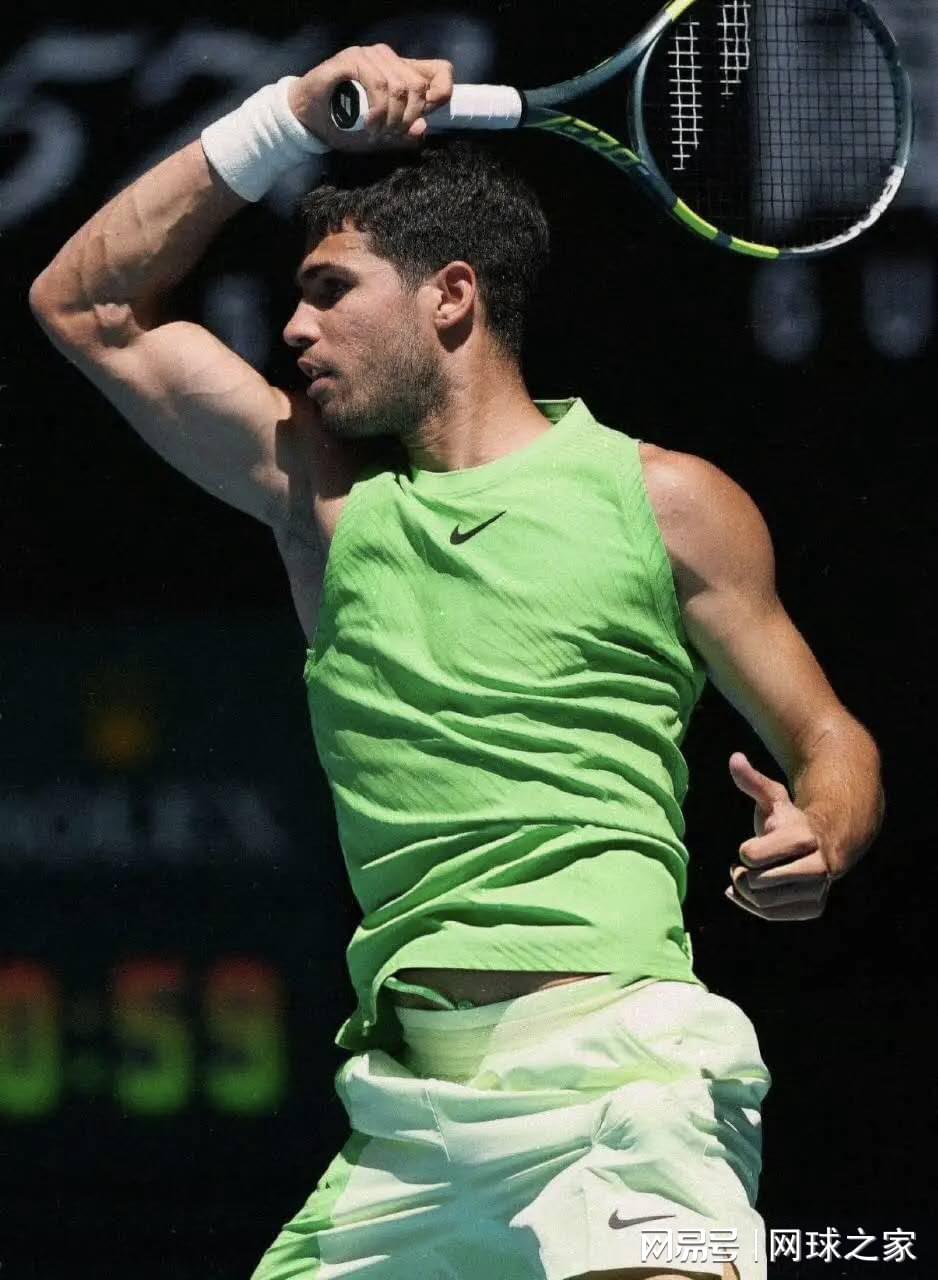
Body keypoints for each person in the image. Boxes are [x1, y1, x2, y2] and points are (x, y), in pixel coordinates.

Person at [30, 41, 885, 1280]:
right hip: (408, 1119)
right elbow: (87, 305)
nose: (292, 326)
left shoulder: (667, 503)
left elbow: (829, 737)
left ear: (449, 296)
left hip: (629, 1082)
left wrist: (825, 828)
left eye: (330, 290)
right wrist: (287, 118)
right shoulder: (323, 501)